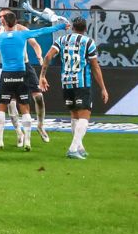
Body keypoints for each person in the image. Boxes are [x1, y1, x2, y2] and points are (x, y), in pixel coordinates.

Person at [0, 9, 67, 151]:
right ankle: (19, 132)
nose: (1, 18)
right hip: (11, 68)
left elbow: (35, 44)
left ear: (7, 18)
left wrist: (39, 57)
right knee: (12, 105)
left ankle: (40, 126)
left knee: (38, 97)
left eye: (3, 16)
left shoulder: (21, 29)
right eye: (0, 16)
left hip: (24, 66)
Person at [40, 17, 107, 159]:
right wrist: (103, 88)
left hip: (66, 83)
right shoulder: (88, 42)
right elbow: (95, 66)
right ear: (86, 29)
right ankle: (72, 148)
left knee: (74, 115)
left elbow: (47, 56)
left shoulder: (62, 40)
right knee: (85, 115)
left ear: (72, 28)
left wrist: (42, 75)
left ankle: (80, 148)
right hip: (82, 83)